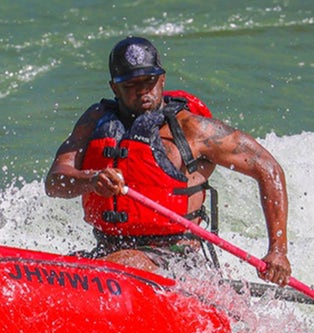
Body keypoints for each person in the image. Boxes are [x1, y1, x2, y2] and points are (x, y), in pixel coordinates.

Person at [45, 36, 291, 286]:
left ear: (162, 78)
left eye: (149, 81)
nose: (142, 90)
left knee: (117, 265)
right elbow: (54, 183)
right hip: (109, 252)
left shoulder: (193, 131)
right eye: (131, 84)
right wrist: (91, 180)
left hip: (174, 260)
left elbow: (267, 168)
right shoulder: (94, 121)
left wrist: (278, 251)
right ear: (114, 87)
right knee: (57, 270)